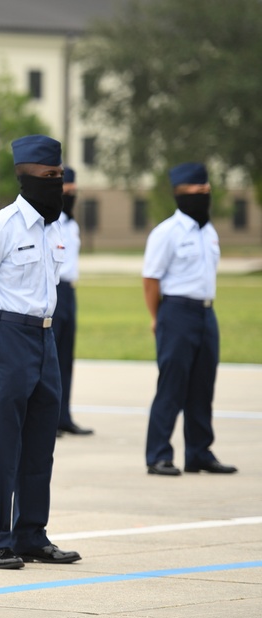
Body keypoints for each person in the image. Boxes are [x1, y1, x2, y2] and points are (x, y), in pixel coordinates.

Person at [0, 135, 81, 569]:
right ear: (27, 177)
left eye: (61, 176)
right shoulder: (2, 225)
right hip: (8, 334)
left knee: (39, 442)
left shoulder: (54, 229)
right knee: (3, 443)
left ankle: (31, 534)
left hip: (44, 337)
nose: (59, 184)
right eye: (51, 177)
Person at [142, 162, 236, 476]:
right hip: (177, 312)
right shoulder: (167, 232)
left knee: (203, 385)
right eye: (197, 192)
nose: (203, 196)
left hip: (206, 312)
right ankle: (158, 454)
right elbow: (151, 279)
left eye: (206, 191)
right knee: (172, 384)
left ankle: (199, 452)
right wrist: (158, 317)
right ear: (180, 194)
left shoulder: (208, 231)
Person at [52, 167, 94, 437]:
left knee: (66, 357)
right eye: (66, 191)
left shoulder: (72, 225)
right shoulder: (50, 223)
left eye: (74, 192)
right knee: (50, 358)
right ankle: (48, 416)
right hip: (53, 291)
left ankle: (63, 415)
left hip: (70, 292)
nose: (71, 196)